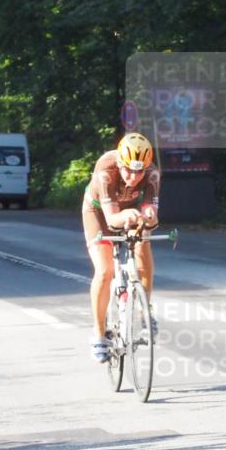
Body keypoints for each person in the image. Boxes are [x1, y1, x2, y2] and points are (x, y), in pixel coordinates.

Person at [82, 133, 161, 363]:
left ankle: (143, 309)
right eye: (129, 170)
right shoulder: (105, 170)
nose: (134, 177)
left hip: (131, 209)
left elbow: (153, 216)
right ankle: (98, 334)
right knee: (105, 271)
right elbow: (111, 220)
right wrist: (125, 214)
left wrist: (149, 214)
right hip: (98, 212)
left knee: (143, 241)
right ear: (120, 163)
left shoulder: (152, 174)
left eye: (140, 171)